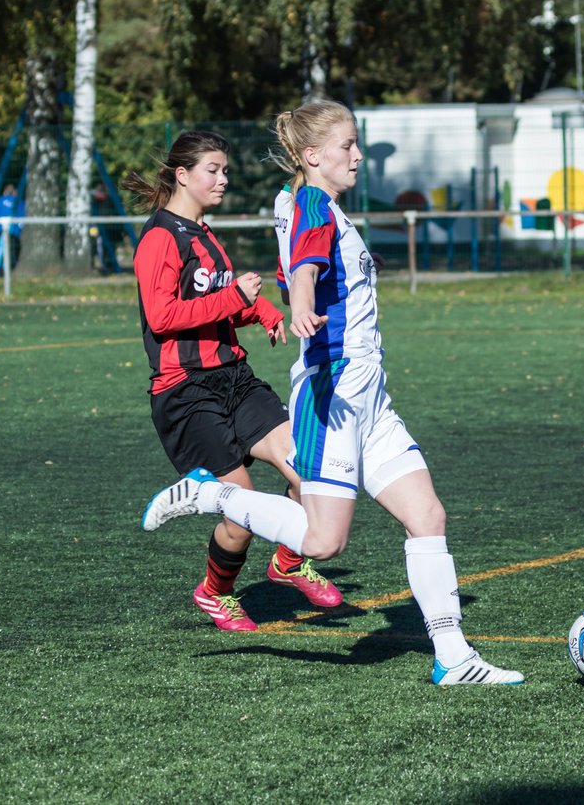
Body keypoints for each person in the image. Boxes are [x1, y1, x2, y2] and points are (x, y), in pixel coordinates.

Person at [142, 103, 524, 686]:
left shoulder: (304, 202)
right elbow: (306, 262)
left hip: (370, 394)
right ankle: (213, 496)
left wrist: (274, 301)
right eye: (347, 145)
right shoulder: (315, 205)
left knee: (427, 515)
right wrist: (297, 303)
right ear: (314, 156)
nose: (358, 156)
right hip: (333, 389)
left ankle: (454, 658)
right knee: (325, 539)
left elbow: (294, 232)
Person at [124, 129, 344, 631]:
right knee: (240, 508)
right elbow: (163, 318)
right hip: (186, 393)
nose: (223, 179)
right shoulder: (160, 238)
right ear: (182, 175)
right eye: (213, 171)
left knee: (310, 471)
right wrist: (236, 299)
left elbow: (213, 307)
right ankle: (215, 591)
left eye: (225, 170)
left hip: (236, 380)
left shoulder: (204, 234)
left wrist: (261, 310)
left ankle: (288, 563)